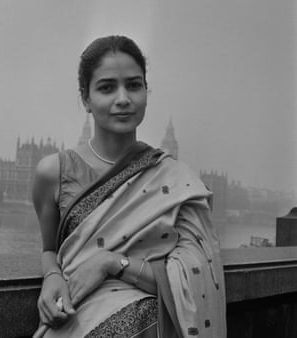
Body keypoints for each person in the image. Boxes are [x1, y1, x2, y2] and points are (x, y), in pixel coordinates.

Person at [32, 35, 226, 338]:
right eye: (107, 87)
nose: (123, 98)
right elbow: (48, 250)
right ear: (85, 98)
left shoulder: (174, 179)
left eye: (134, 85)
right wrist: (52, 276)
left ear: (146, 92)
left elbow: (194, 277)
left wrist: (110, 263)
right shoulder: (53, 172)